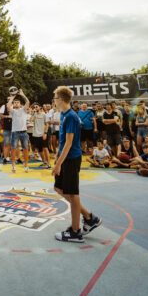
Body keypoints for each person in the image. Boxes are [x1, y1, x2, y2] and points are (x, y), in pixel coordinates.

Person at [52, 86, 101, 243]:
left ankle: (75, 232)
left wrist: (59, 163)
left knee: (73, 194)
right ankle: (88, 217)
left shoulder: (72, 116)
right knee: (58, 188)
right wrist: (57, 157)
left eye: (54, 97)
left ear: (60, 99)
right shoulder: (63, 114)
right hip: (65, 157)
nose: (53, 100)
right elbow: (62, 140)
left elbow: (69, 143)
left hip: (71, 159)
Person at [9, 90, 31, 173]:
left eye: (17, 102)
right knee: (14, 148)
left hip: (24, 132)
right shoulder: (13, 111)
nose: (16, 103)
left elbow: (28, 102)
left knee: (26, 149)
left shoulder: (23, 110)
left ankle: (26, 165)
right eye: (14, 102)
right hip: (15, 132)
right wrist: (12, 97)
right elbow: (8, 106)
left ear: (20, 104)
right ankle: (13, 165)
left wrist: (22, 94)